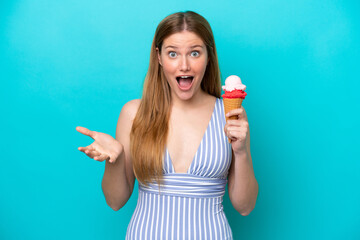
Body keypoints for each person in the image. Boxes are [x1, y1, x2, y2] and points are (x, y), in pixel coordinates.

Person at [76, 10, 258, 240]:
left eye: (194, 53)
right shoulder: (134, 113)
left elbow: (245, 206)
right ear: (159, 57)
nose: (184, 66)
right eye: (173, 54)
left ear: (208, 57)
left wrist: (241, 152)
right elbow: (115, 202)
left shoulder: (229, 115)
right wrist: (116, 159)